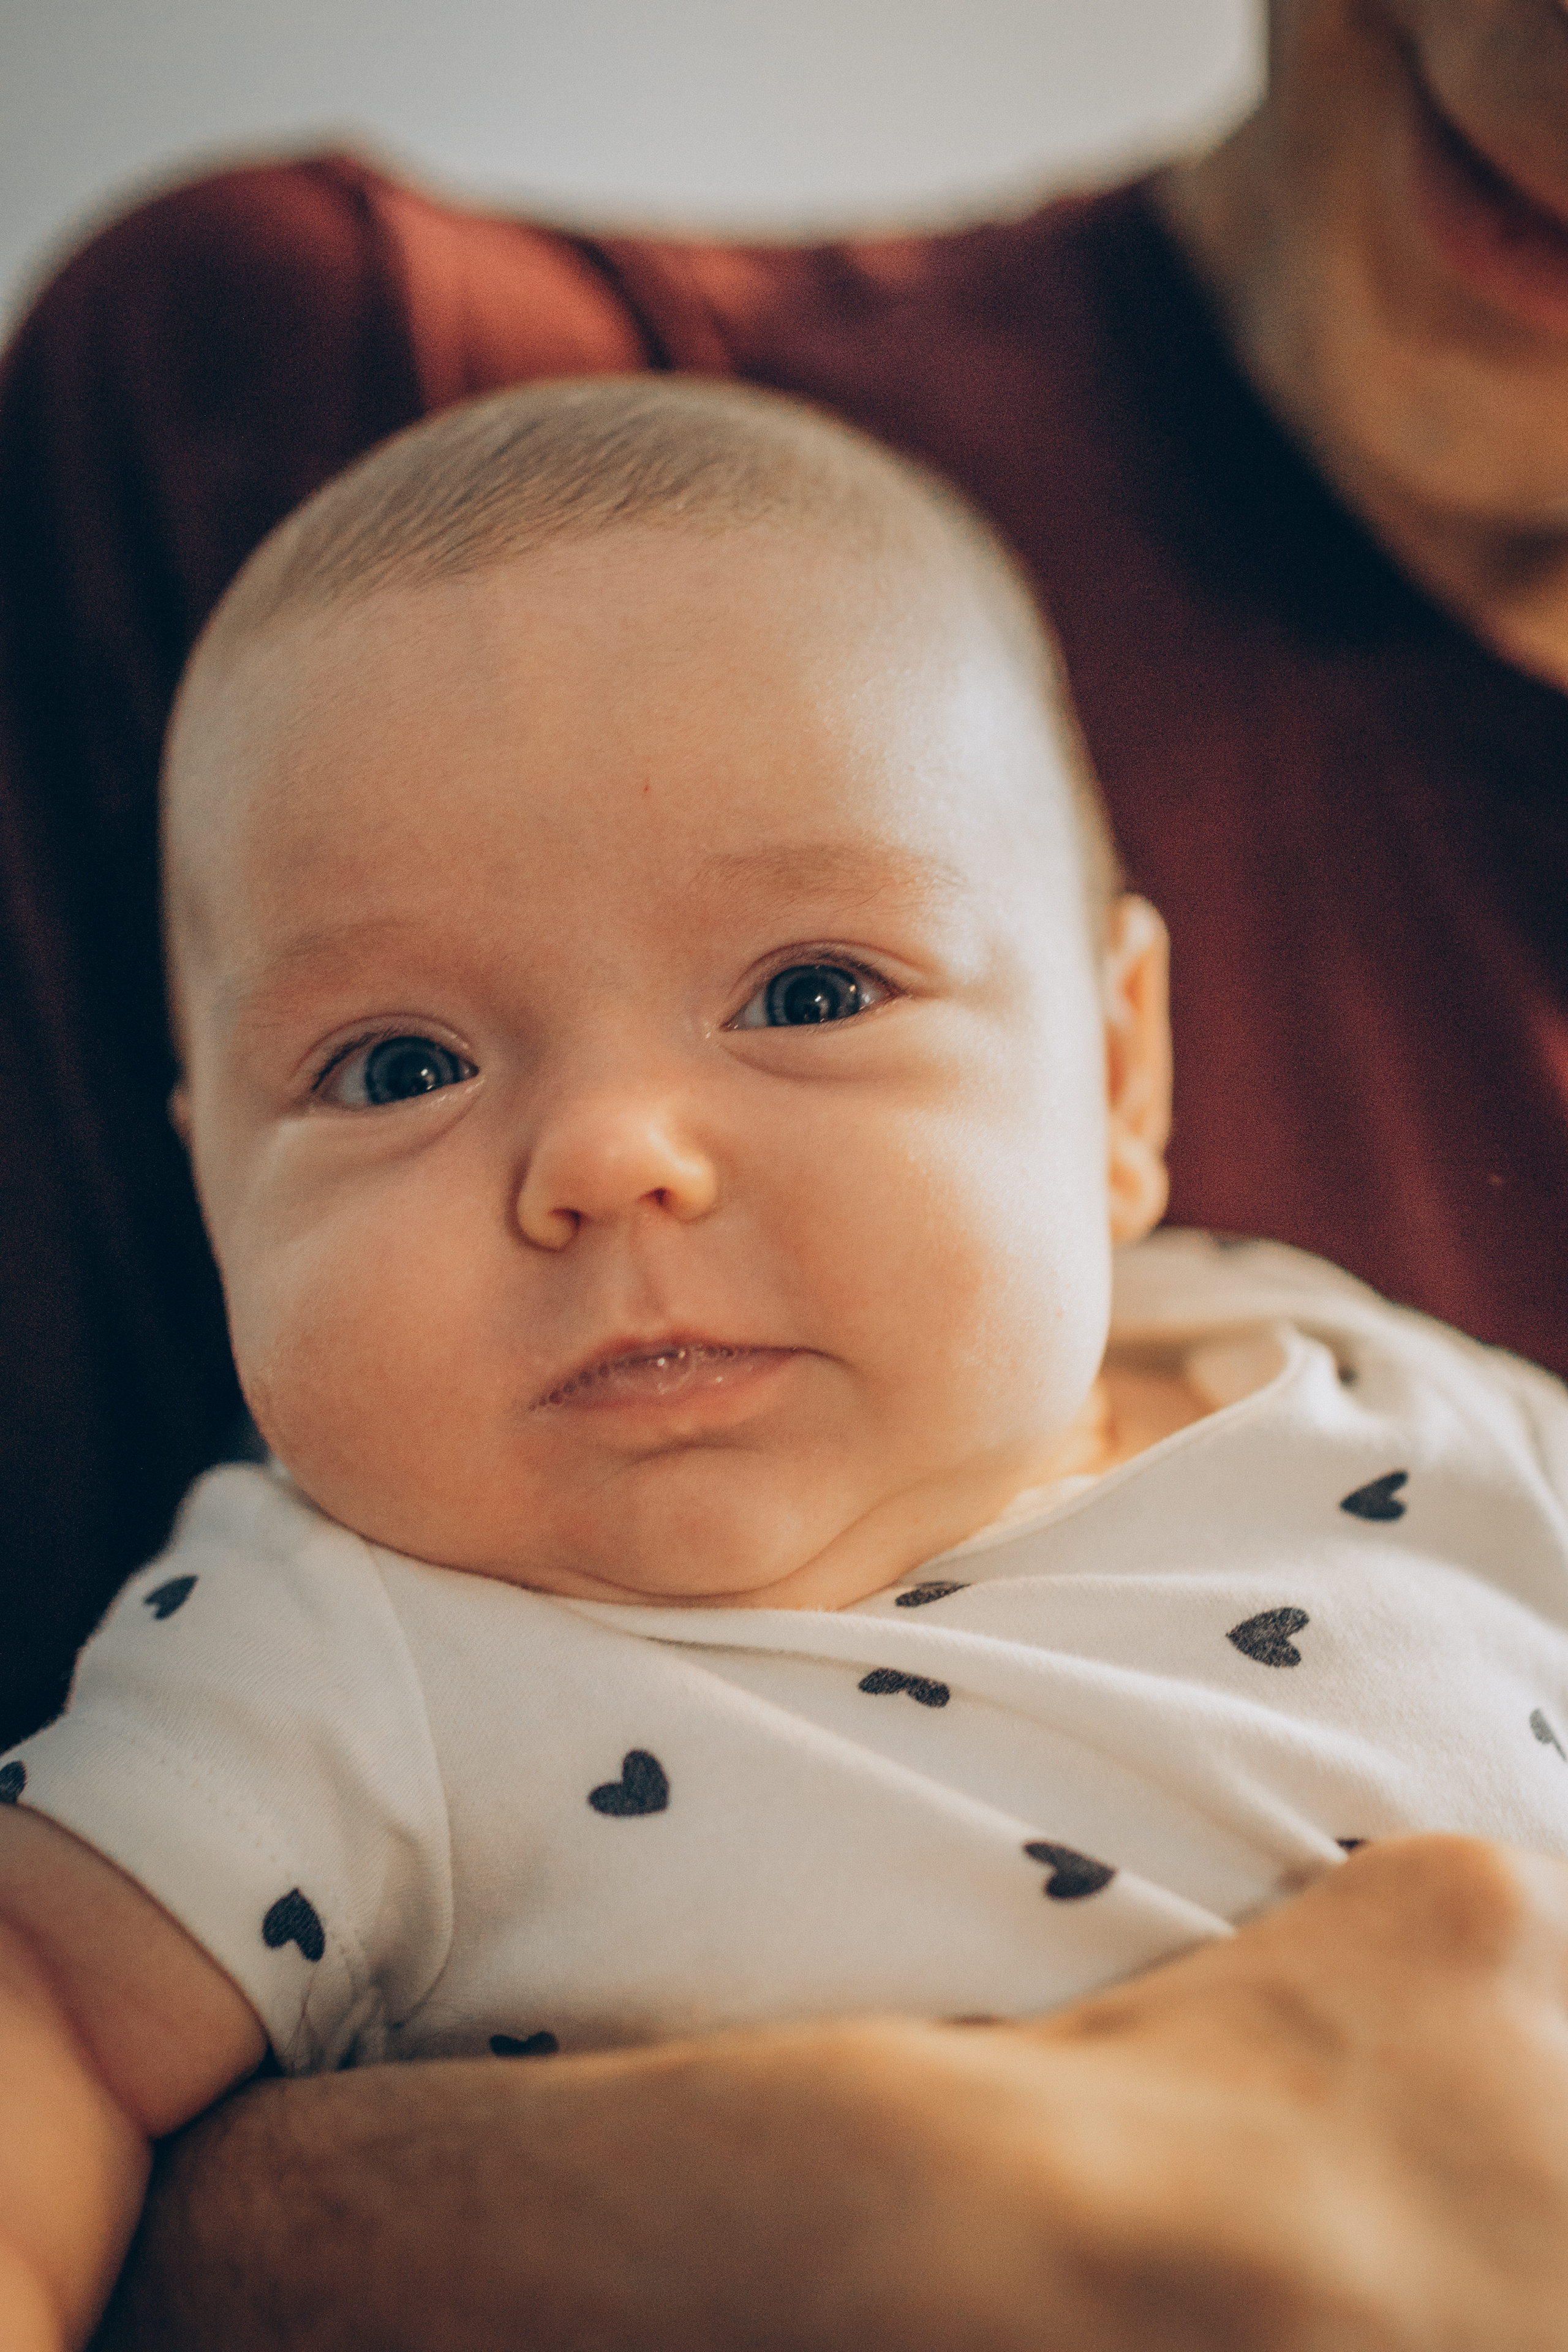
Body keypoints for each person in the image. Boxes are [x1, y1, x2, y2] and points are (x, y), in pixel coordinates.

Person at [2, 1, 1567, 2343]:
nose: (610, 1158)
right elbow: (36, 2018)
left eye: (813, 992)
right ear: (214, 1183)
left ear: (1120, 1074)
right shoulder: (342, 1655)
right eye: (397, 1062)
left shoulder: (1399, 1411)